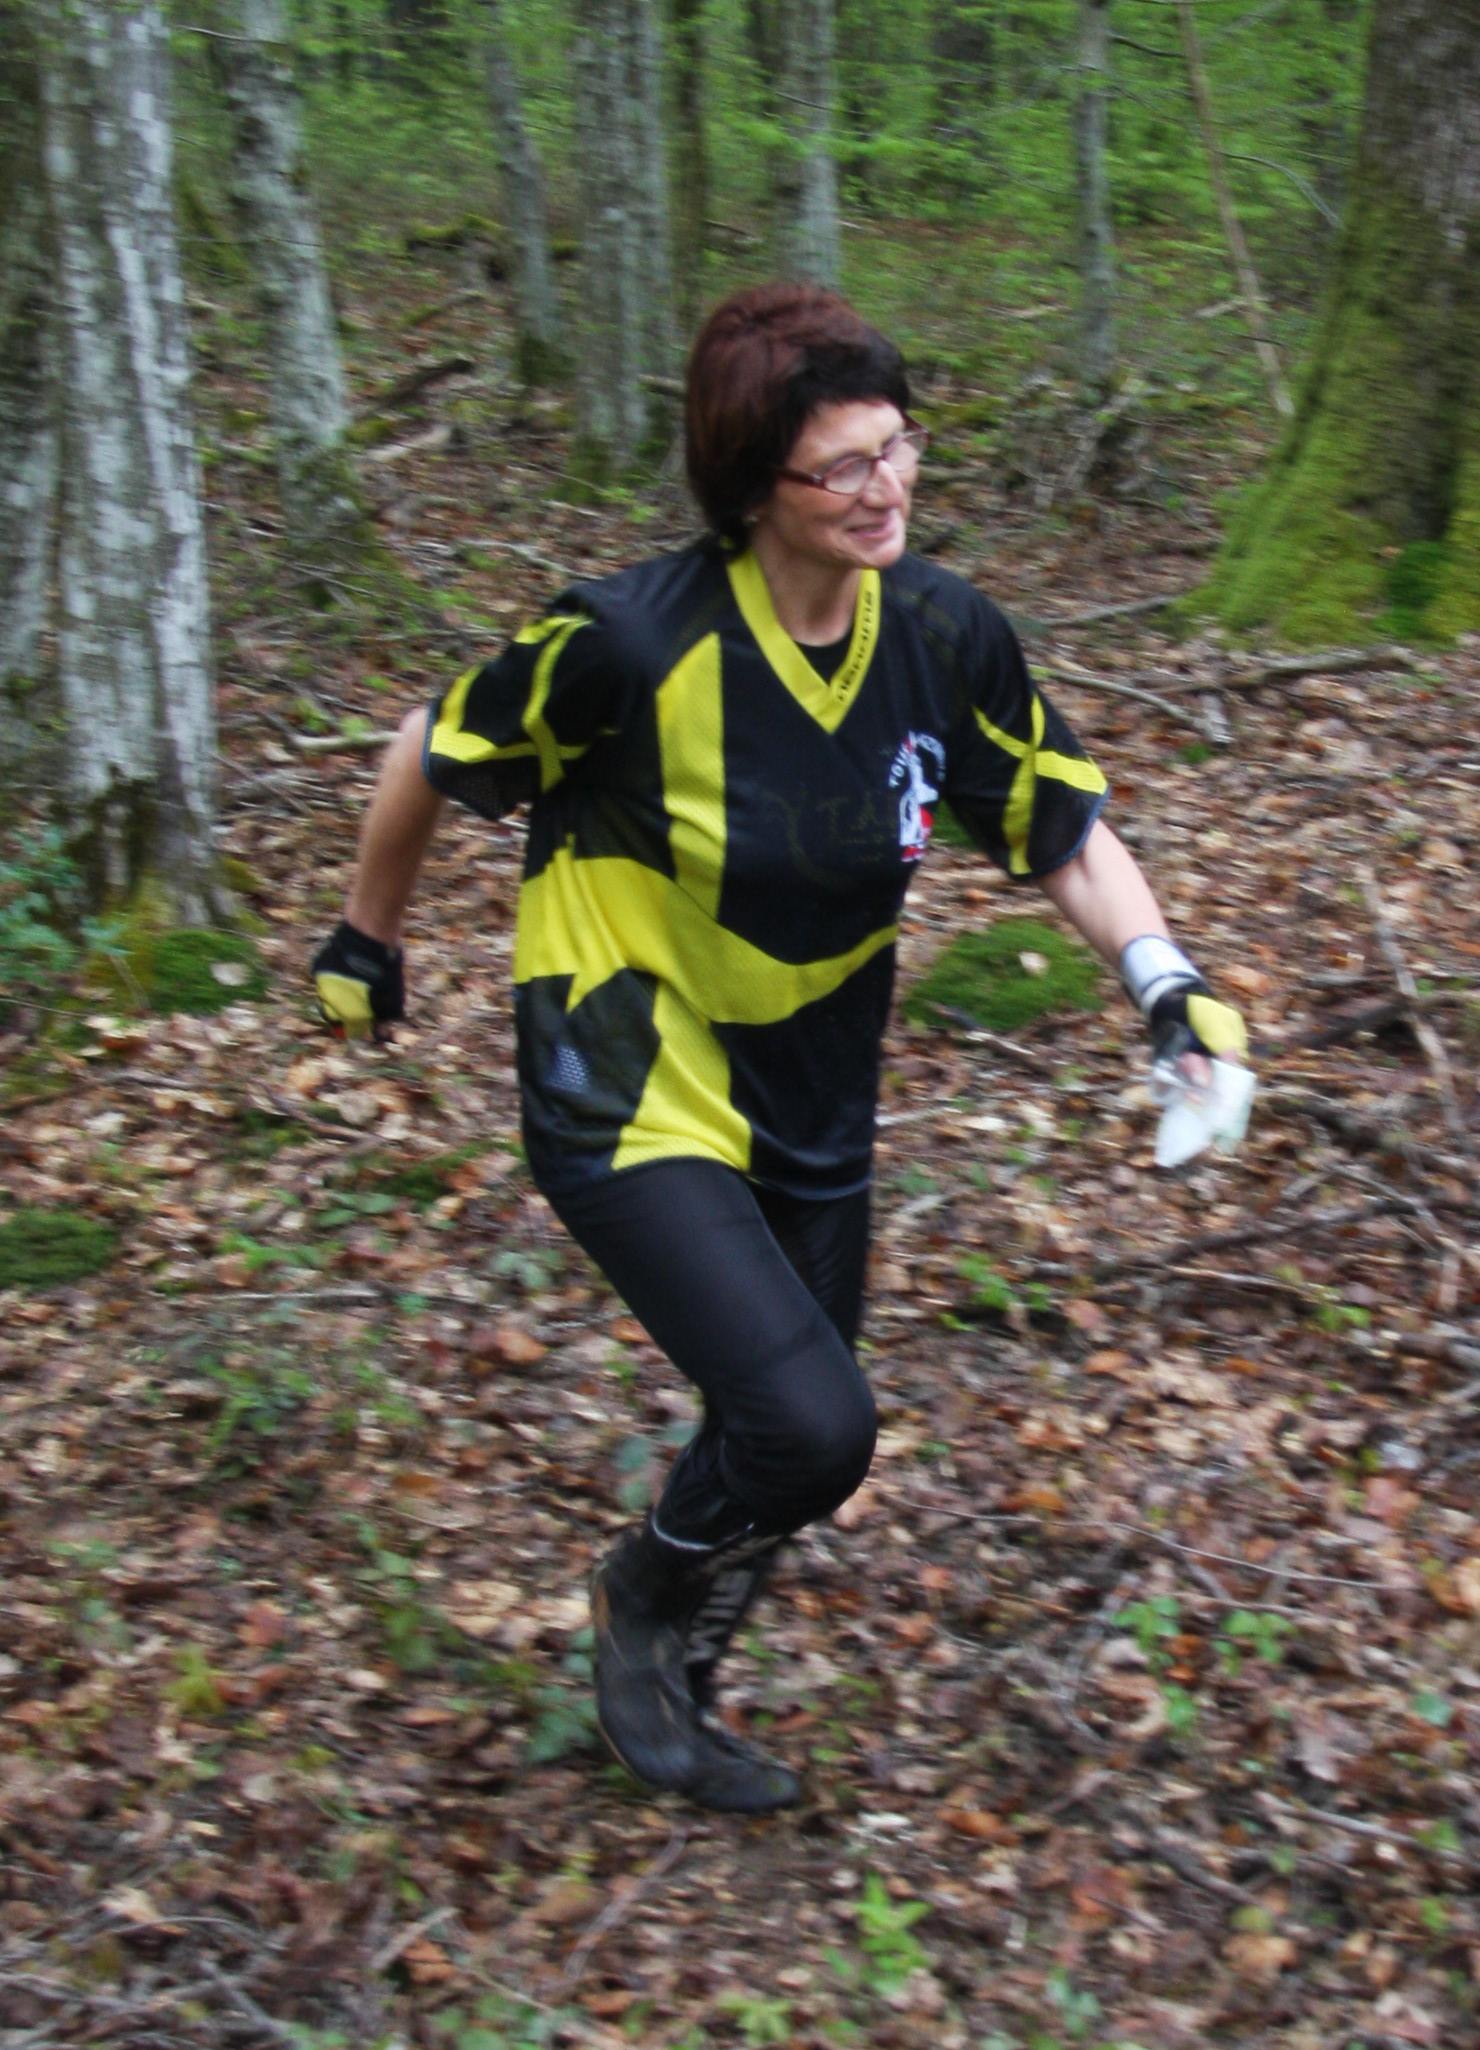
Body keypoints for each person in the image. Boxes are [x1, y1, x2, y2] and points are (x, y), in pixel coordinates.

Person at [312, 283, 1248, 1814]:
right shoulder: (629, 641)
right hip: (624, 1070)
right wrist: (368, 939)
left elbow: (1059, 827)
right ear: (755, 485)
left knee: (795, 1434)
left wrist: (1167, 983)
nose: (885, 488)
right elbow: (429, 745)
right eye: (843, 467)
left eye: (900, 447)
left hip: (811, 1078)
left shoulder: (941, 634)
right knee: (814, 1420)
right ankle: (641, 1598)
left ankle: (673, 1674)